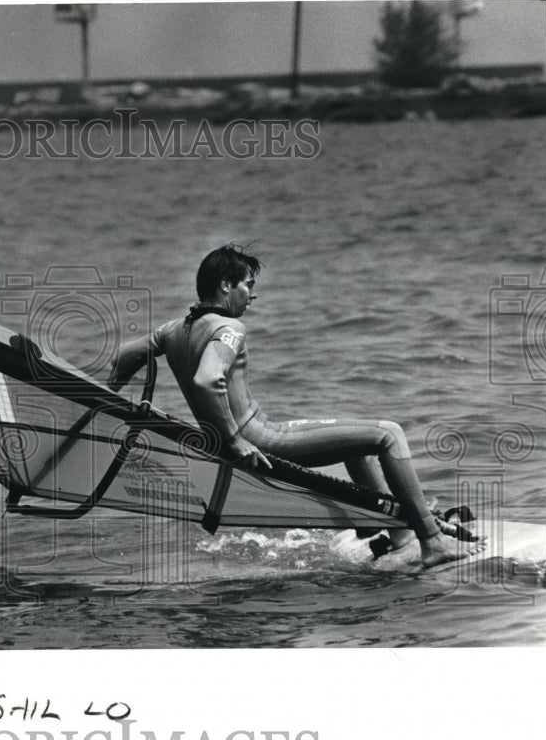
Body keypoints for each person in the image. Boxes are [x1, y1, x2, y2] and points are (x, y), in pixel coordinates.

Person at [107, 243, 480, 568]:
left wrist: (109, 395)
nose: (252, 296)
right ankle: (433, 542)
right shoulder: (229, 329)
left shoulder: (175, 330)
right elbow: (208, 379)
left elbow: (124, 356)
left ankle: (399, 537)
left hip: (232, 442)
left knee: (358, 444)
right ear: (225, 286)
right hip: (260, 441)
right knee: (389, 434)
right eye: (248, 285)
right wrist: (237, 439)